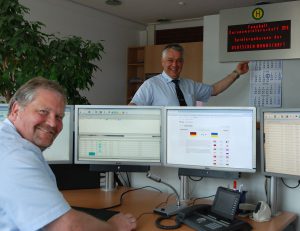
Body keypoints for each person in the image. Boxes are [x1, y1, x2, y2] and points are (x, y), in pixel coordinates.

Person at [0, 77, 137, 231]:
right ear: (15, 110)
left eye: (59, 117)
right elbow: (68, 227)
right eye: (43, 112)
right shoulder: (15, 155)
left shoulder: (11, 142)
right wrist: (113, 226)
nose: (53, 123)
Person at [129, 43, 249, 106]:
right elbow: (133, 108)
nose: (175, 65)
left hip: (187, 138)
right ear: (163, 62)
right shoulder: (151, 85)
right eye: (170, 60)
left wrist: (237, 72)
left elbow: (215, 89)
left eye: (179, 60)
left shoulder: (189, 85)